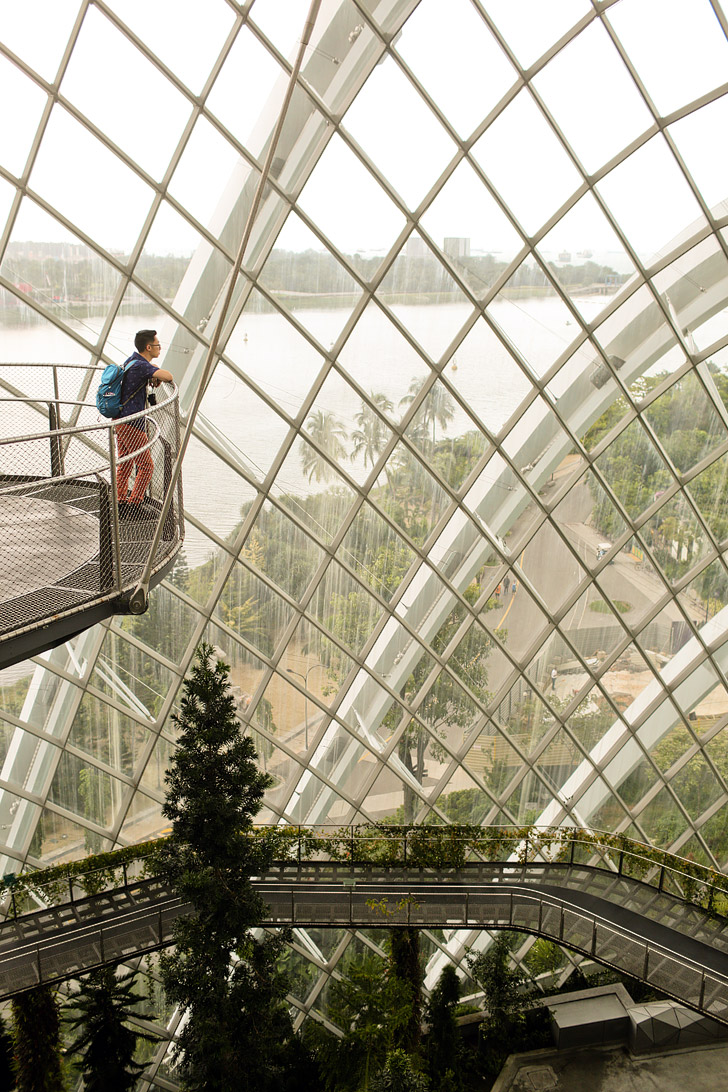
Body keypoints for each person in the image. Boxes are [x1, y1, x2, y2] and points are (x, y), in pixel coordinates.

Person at [115, 330, 173, 510]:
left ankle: (120, 501)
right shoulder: (141, 365)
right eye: (157, 345)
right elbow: (169, 376)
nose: (160, 348)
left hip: (120, 419)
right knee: (146, 466)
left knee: (125, 463)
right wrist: (157, 376)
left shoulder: (131, 361)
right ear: (148, 347)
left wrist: (153, 376)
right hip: (132, 423)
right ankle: (134, 503)